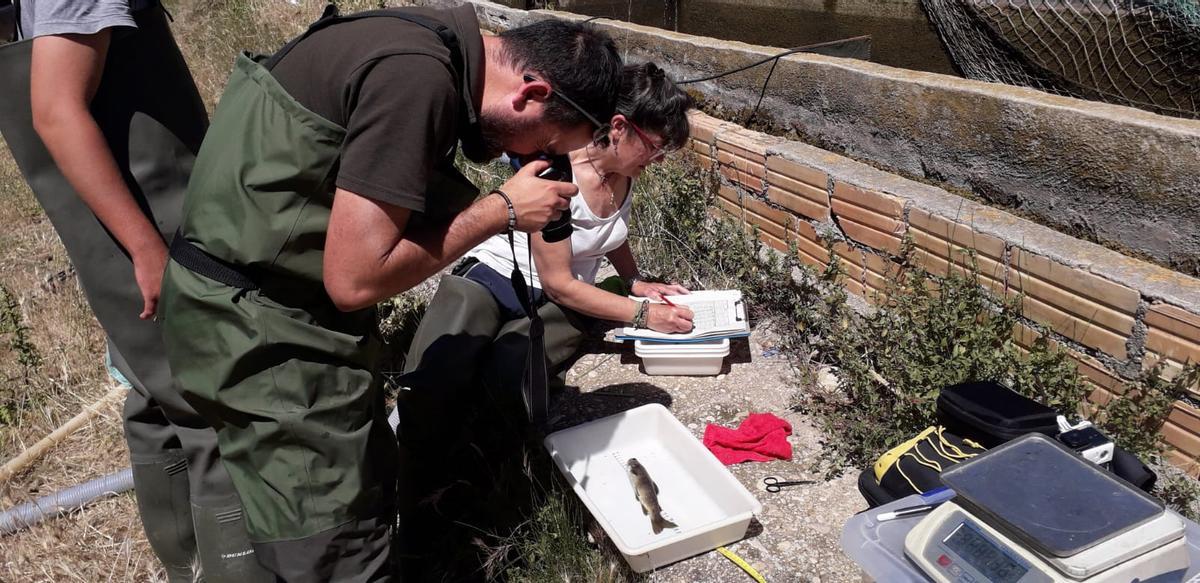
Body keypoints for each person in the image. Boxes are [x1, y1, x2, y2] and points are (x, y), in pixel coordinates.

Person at [158, 4, 623, 580]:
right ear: (530, 93)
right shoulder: (415, 78)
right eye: (550, 144)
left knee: (311, 507)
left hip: (239, 301)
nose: (541, 161)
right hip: (264, 335)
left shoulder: (420, 37)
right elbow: (356, 280)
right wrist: (500, 210)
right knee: (336, 549)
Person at [0, 0, 269, 580]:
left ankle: (188, 567)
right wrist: (146, 248)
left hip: (118, 231)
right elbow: (56, 112)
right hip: (149, 226)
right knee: (216, 411)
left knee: (155, 398)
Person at [399, 62, 696, 442]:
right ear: (619, 127)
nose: (658, 160)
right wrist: (644, 316)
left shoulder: (625, 171)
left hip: (564, 301)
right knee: (435, 373)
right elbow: (558, 283)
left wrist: (634, 280)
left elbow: (610, 233)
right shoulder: (557, 171)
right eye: (655, 147)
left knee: (506, 379)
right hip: (498, 277)